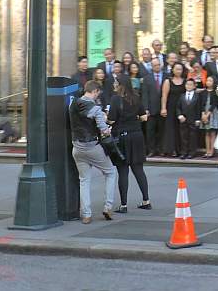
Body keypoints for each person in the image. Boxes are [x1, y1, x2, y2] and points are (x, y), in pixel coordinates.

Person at [68, 81, 117, 224]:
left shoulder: (73, 104)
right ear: (95, 91)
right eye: (97, 94)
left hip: (77, 148)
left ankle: (86, 214)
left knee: (84, 180)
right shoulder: (94, 108)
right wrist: (107, 129)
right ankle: (108, 207)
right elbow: (103, 129)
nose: (97, 97)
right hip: (92, 146)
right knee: (110, 172)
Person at [107, 75, 151, 214]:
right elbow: (144, 117)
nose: (114, 84)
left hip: (122, 138)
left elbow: (111, 120)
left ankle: (124, 205)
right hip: (137, 136)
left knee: (123, 171)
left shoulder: (115, 99)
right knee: (139, 169)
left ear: (120, 85)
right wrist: (134, 118)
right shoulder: (136, 97)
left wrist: (106, 118)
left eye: (115, 82)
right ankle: (146, 200)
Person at [161, 62, 186, 157]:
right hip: (170, 107)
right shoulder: (168, 81)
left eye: (180, 69)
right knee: (170, 128)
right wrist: (163, 108)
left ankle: (180, 150)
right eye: (176, 69)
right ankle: (171, 150)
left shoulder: (185, 81)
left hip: (181, 108)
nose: (178, 71)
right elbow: (164, 95)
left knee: (180, 129)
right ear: (173, 70)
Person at [141, 58, 165, 157]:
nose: (157, 67)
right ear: (152, 66)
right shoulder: (147, 78)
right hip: (151, 109)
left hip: (163, 109)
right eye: (155, 65)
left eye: (158, 65)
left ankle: (161, 149)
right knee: (150, 131)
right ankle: (151, 150)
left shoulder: (166, 77)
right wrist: (146, 108)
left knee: (161, 131)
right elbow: (145, 95)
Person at [176, 78, 202, 159]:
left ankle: (192, 152)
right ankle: (184, 152)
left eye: (191, 84)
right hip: (183, 120)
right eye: (187, 84)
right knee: (183, 137)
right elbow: (178, 107)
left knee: (192, 137)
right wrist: (179, 115)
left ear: (194, 86)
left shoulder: (197, 96)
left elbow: (199, 108)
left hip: (193, 119)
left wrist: (198, 119)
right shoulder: (181, 96)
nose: (189, 86)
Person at [199, 75, 218, 158]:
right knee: (206, 132)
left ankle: (212, 150)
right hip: (204, 112)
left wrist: (208, 114)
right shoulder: (203, 92)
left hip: (212, 113)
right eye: (207, 80)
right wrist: (203, 114)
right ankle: (207, 151)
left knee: (212, 132)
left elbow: (214, 104)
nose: (208, 82)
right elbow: (201, 103)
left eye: (210, 81)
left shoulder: (216, 92)